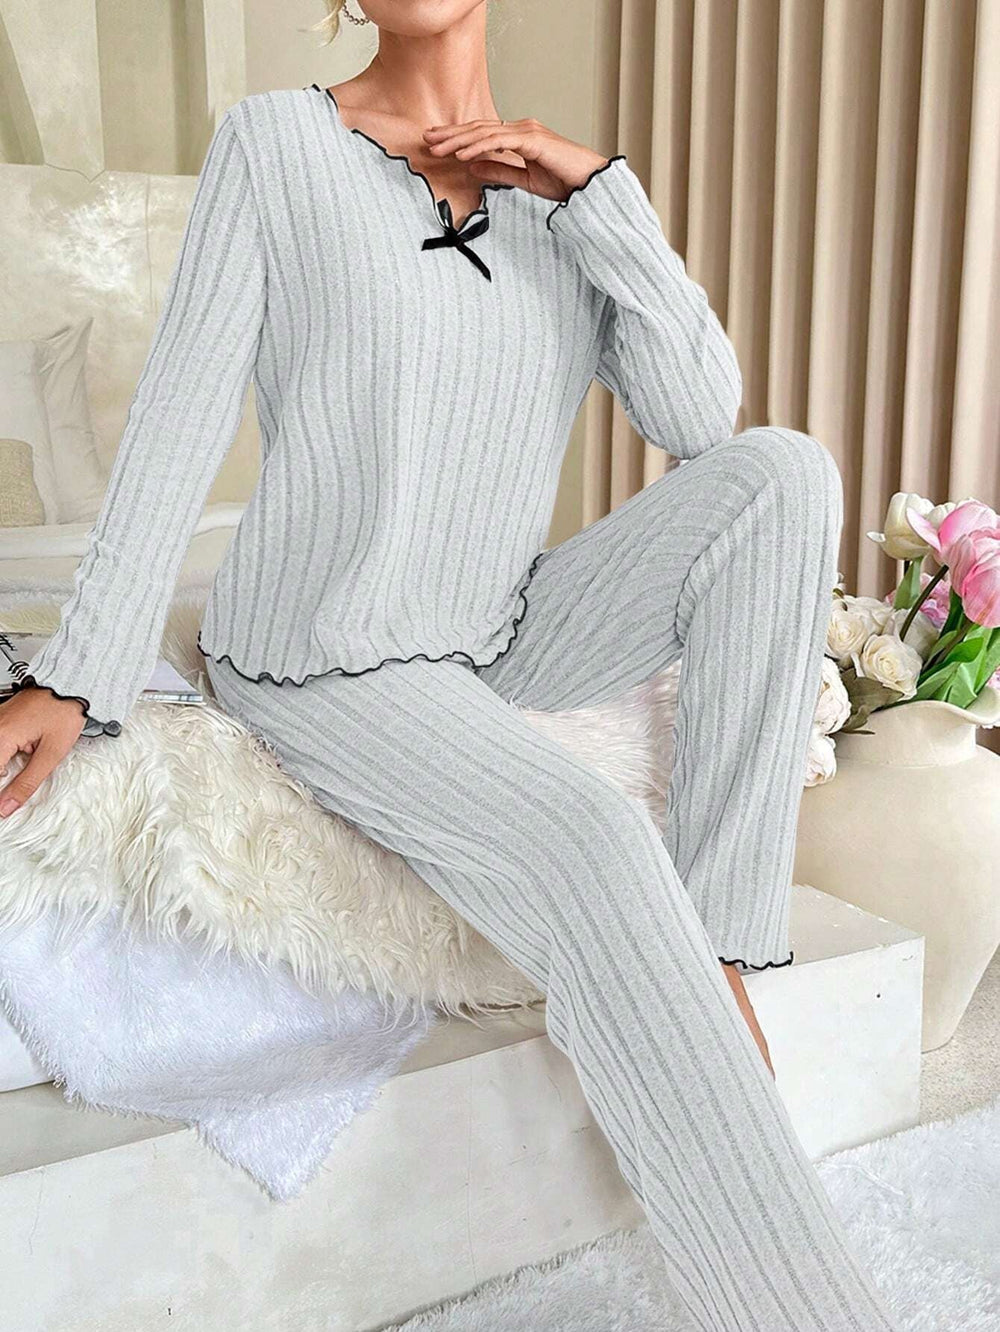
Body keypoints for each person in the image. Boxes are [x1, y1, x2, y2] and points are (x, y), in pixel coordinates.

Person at [0, 2, 900, 1328]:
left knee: (785, 473)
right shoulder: (276, 146)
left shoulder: (563, 200)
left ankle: (715, 948)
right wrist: (80, 676)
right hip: (324, 656)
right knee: (595, 838)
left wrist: (597, 197)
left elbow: (699, 415)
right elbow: (178, 425)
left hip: (502, 627)